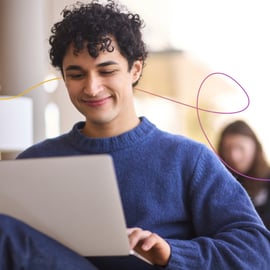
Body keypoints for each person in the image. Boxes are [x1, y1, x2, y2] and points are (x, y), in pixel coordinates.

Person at [1, 1, 270, 269]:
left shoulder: (189, 159)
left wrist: (172, 253)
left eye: (107, 71)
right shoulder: (35, 162)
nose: (92, 88)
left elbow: (257, 251)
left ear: (135, 69)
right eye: (76, 74)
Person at [217, 119, 270, 229]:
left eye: (240, 148)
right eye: (228, 149)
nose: (234, 156)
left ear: (255, 147)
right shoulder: (221, 184)